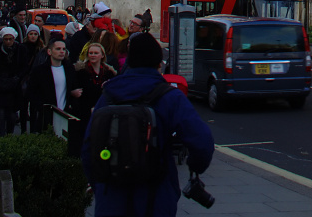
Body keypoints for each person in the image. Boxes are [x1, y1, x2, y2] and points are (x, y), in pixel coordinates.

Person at [82, 33, 214, 217]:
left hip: (111, 197)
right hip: (156, 197)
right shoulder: (170, 96)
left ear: (129, 61)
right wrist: (195, 168)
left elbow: (88, 149)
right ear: (159, 64)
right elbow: (202, 142)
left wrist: (100, 185)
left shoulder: (108, 96)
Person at [27, 36, 82, 134]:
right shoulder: (40, 71)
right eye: (58, 49)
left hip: (65, 113)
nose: (62, 51)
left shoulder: (69, 69)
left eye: (64, 49)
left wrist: (72, 96)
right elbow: (32, 92)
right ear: (49, 52)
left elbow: (73, 87)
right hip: (46, 114)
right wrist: (41, 106)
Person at [71, 43, 116, 154]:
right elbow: (79, 90)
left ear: (102, 55)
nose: (93, 55)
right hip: (85, 111)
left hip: (103, 110)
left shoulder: (109, 73)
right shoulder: (81, 72)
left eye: (96, 53)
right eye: (90, 53)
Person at [19, 25, 47, 131]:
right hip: (25, 79)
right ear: (27, 35)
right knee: (23, 107)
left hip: (36, 81)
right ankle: (23, 130)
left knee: (34, 108)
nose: (33, 36)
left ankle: (33, 130)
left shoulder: (41, 49)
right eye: (31, 34)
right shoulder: (22, 47)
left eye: (35, 34)